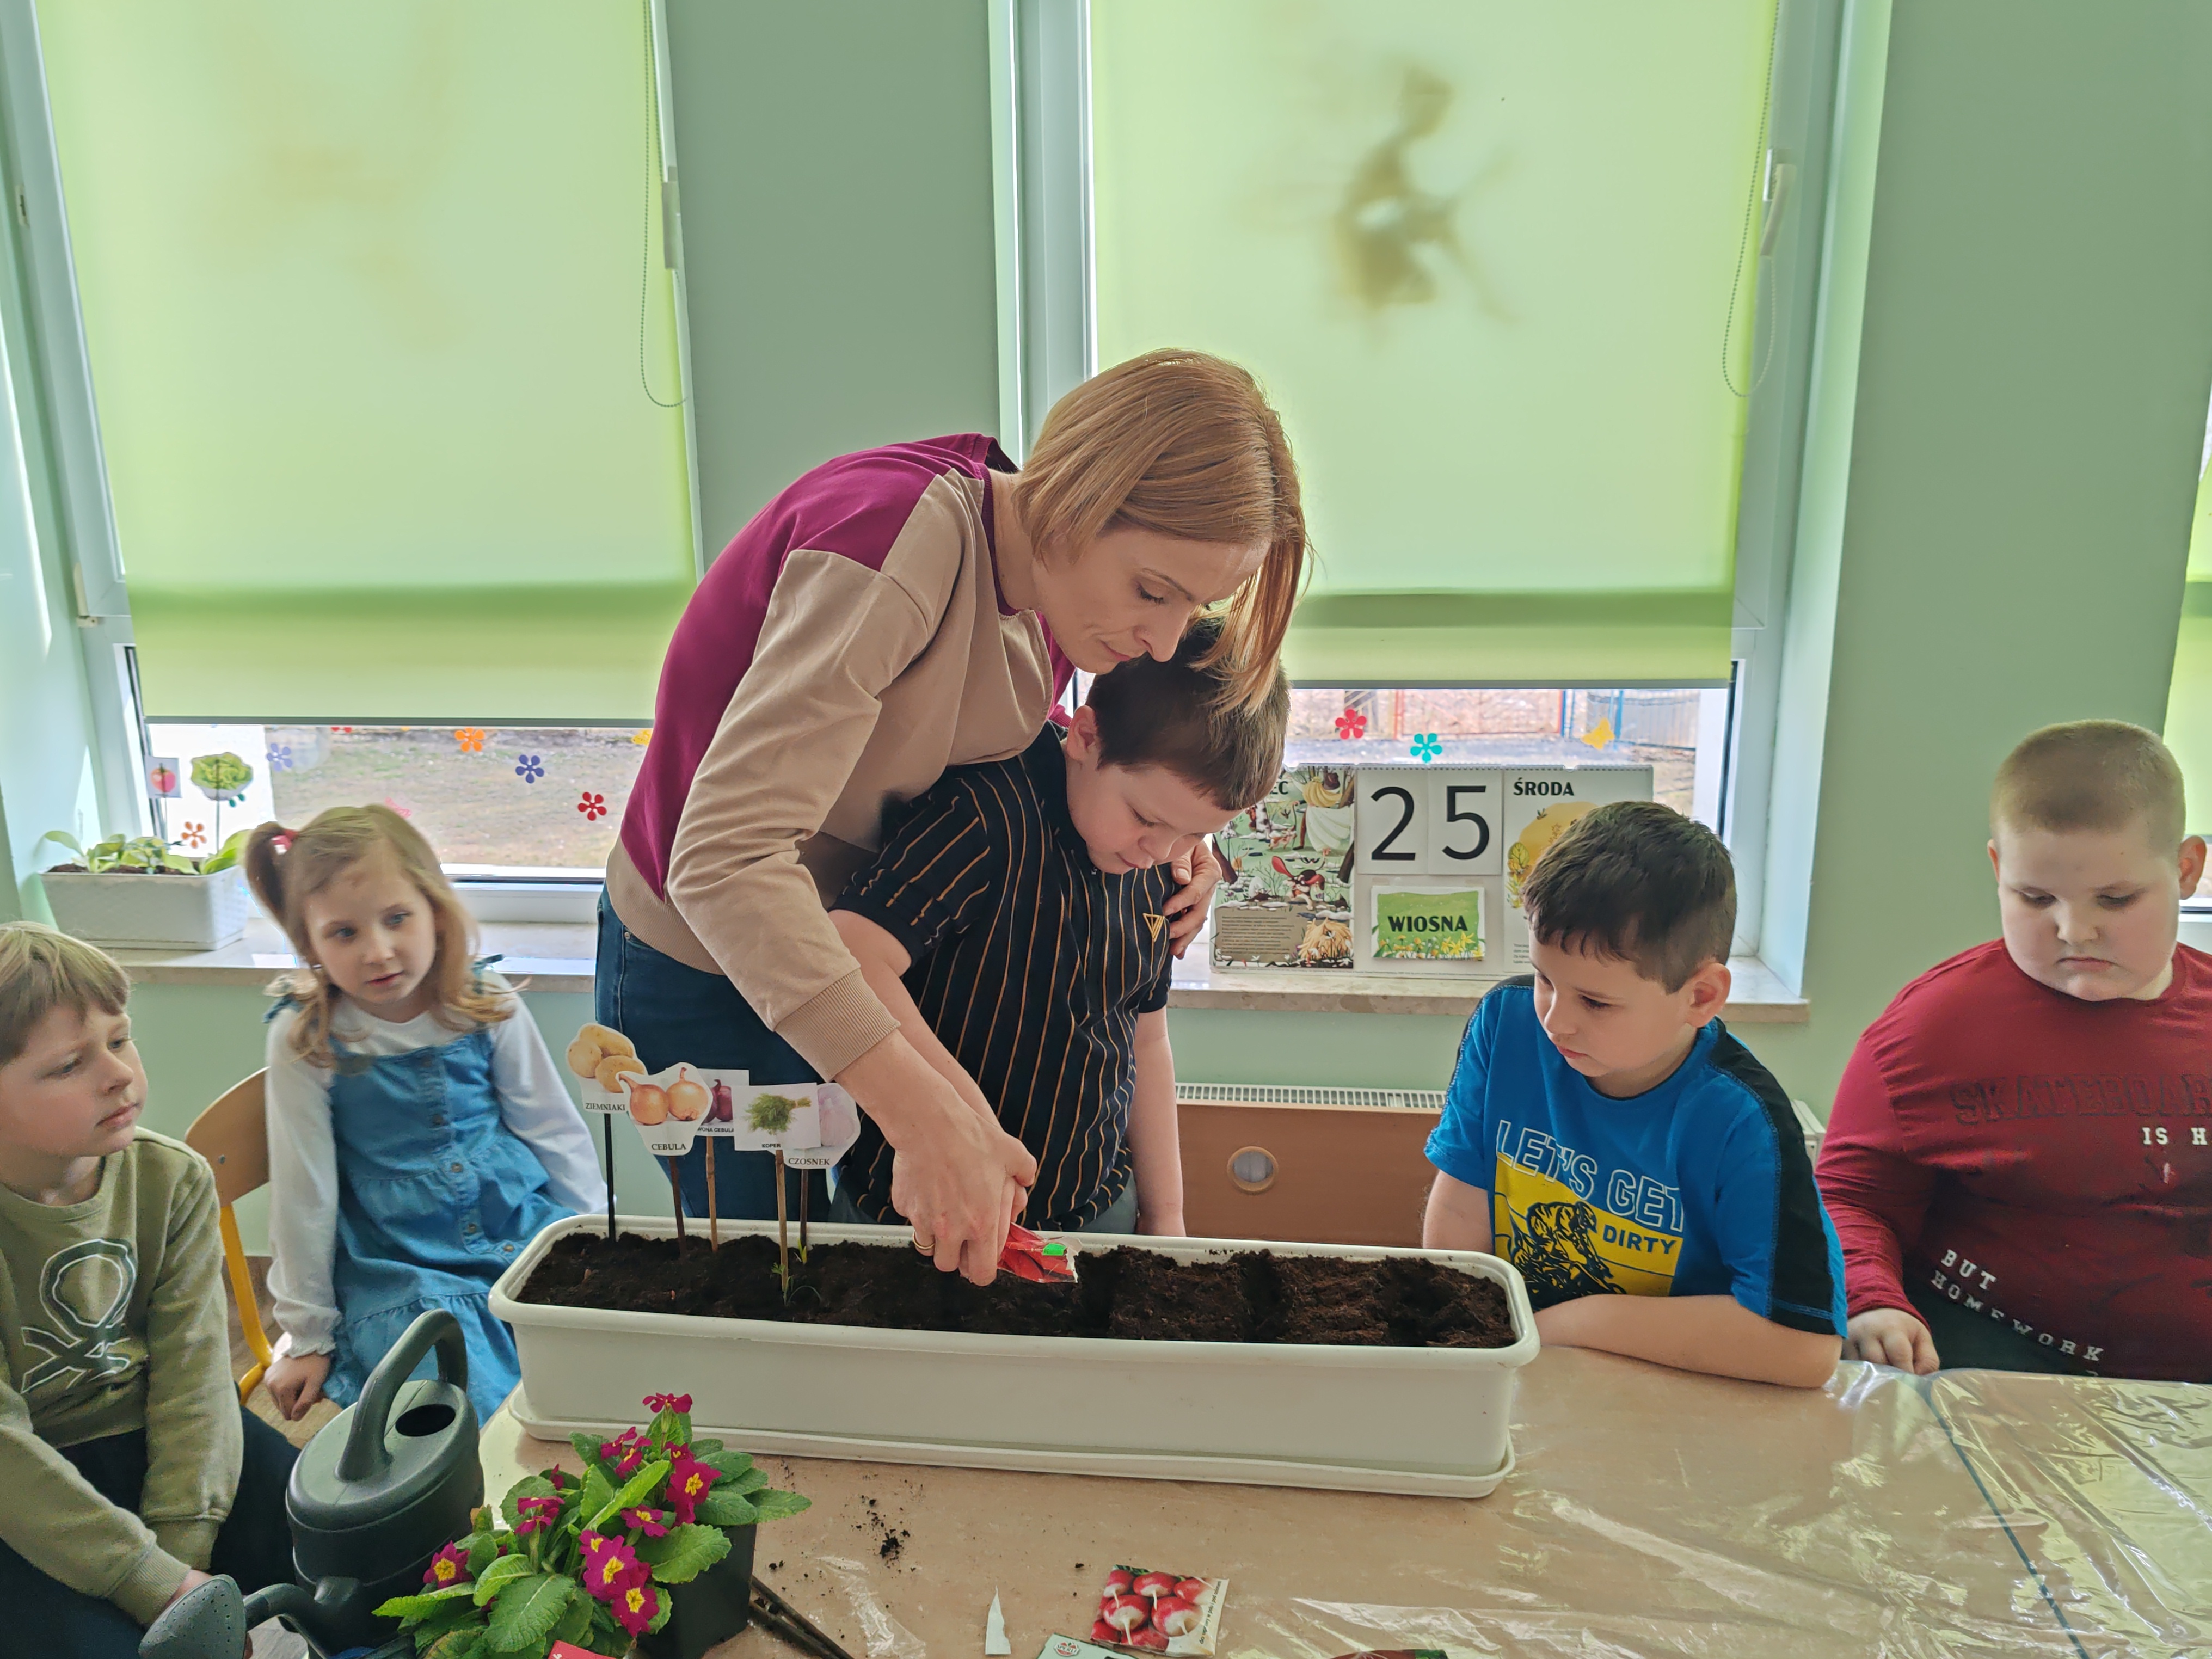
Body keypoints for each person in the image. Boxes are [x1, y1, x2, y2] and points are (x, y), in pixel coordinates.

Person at [604, 347, 1308, 1283]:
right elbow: (723, 862)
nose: (1162, 640)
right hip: (705, 958)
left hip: (819, 945)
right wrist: (926, 1113)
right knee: (772, 1274)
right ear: (1077, 494)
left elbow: (997, 731)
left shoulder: (1058, 600)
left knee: (835, 1262)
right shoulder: (890, 550)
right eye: (1151, 591)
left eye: (1193, 606)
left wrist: (1177, 839)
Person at [828, 616, 1291, 1235]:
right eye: (1144, 818)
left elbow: (1145, 1041)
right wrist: (964, 1130)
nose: (1161, 852)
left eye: (1195, 833)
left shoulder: (1163, 863)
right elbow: (852, 951)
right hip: (915, 1216)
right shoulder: (983, 814)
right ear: (1086, 737)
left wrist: (1167, 1213)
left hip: (1095, 1207)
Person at [1818, 720, 2211, 1381]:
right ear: (1998, 868)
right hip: (1980, 1372)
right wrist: (1869, 1300)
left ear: (2185, 869)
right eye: (2035, 898)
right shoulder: (1928, 1028)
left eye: (2115, 900)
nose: (2073, 930)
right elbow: (1851, 1196)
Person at [1422, 802, 1846, 1387]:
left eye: (1595, 1002)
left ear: (1699, 997)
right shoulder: (1506, 1024)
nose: (1554, 1022)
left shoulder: (1743, 1121)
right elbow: (1461, 1215)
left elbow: (1804, 1348)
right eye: (1544, 978)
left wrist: (1576, 1323)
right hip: (1527, 1372)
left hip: (1669, 1393)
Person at [246, 807, 606, 1425]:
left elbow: (551, 1129)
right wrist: (306, 1334)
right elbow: (305, 1193)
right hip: (400, 1261)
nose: (378, 952)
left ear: (435, 911)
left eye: (396, 919)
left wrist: (593, 1233)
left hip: (516, 1225)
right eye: (343, 933)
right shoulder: (308, 1038)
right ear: (309, 944)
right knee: (462, 1403)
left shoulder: (481, 1001)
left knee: (598, 1372)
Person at [0, 922, 296, 1655]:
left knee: (347, 1542)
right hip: (26, 1485)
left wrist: (178, 1558)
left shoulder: (172, 1178)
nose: (118, 1075)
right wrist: (149, 1581)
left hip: (163, 1438)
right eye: (70, 1064)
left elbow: (194, 1375)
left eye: (120, 1039)